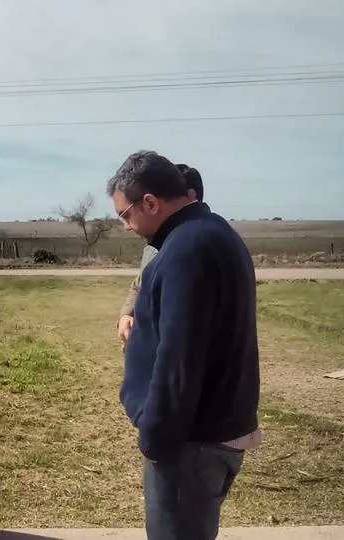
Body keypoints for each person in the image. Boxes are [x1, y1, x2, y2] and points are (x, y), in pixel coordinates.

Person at [106, 151, 261, 540]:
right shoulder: (209, 233)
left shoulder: (186, 251)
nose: (126, 226)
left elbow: (179, 358)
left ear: (150, 203)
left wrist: (156, 439)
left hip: (190, 442)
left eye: (125, 215)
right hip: (208, 431)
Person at [116, 164, 205, 347]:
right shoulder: (153, 244)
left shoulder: (200, 248)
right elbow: (139, 284)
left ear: (190, 196)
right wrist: (126, 315)